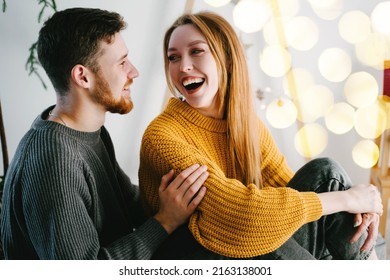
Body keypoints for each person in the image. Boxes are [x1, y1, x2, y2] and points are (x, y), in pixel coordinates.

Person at [138, 11, 385, 260]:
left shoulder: (247, 125)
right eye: (173, 57)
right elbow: (241, 216)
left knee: (327, 174)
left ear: (227, 58)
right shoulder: (163, 137)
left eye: (196, 51)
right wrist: (346, 199)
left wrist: (359, 203)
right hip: (200, 256)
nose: (183, 66)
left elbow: (296, 197)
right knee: (266, 230)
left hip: (246, 245)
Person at [0, 7, 209, 260]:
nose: (134, 72)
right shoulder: (54, 160)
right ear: (82, 77)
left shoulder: (88, 131)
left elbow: (127, 201)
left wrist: (192, 200)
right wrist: (164, 222)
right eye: (122, 63)